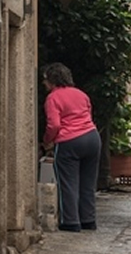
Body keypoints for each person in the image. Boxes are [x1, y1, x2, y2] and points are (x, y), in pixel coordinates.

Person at [41, 63, 99, 232]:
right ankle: (88, 219)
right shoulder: (81, 94)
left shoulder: (53, 98)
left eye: (45, 80)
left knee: (68, 182)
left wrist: (47, 141)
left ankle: (71, 221)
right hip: (92, 137)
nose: (44, 84)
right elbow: (88, 114)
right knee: (88, 182)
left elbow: (54, 124)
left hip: (70, 142)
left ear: (52, 80)